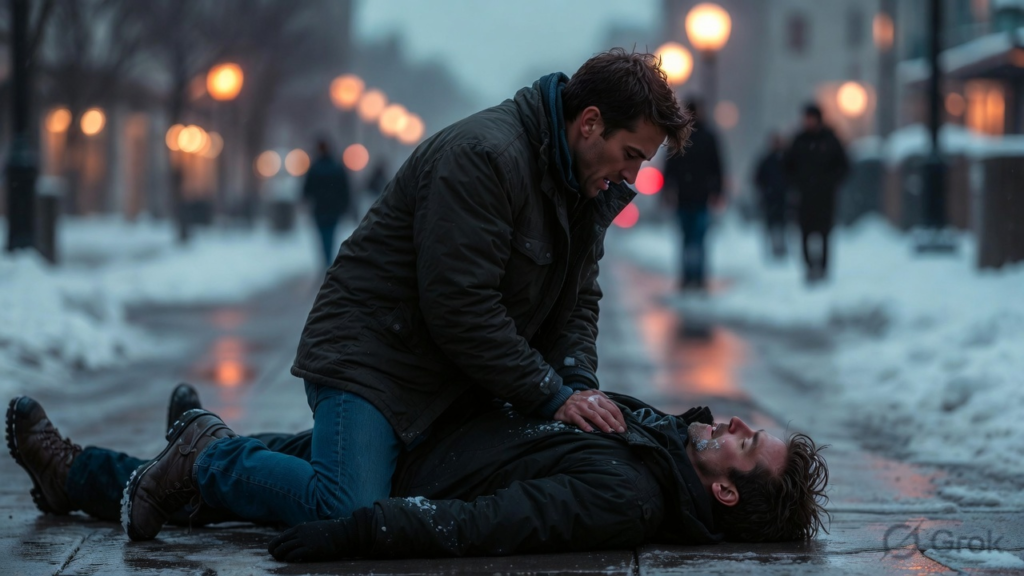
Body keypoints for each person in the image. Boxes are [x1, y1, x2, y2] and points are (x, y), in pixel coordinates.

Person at [119, 48, 694, 542]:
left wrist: (577, 392)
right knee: (348, 508)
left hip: (445, 377)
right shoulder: (486, 157)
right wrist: (550, 395)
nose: (632, 178)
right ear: (589, 123)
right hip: (373, 359)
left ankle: (158, 467)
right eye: (632, 156)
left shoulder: (582, 187)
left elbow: (578, 304)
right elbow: (461, 309)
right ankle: (203, 453)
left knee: (375, 481)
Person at [6, 384, 830, 561]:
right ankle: (73, 475)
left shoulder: (630, 495)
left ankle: (193, 450)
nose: (734, 422)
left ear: (725, 489)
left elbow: (491, 524)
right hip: (424, 432)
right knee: (194, 484)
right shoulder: (663, 444)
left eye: (747, 442)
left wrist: (363, 526)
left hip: (404, 478)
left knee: (219, 469)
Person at [661, 100, 725, 291]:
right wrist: (716, 191)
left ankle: (691, 277)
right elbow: (717, 166)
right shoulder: (707, 137)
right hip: (696, 196)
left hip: (688, 196)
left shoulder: (682, 136)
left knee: (689, 239)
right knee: (696, 240)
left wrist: (667, 190)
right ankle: (695, 277)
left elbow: (670, 167)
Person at [784, 104, 849, 283]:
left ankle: (823, 269)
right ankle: (809, 268)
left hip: (825, 197)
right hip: (804, 198)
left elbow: (843, 166)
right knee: (804, 234)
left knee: (825, 235)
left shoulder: (830, 140)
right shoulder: (799, 141)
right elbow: (787, 167)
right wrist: (797, 183)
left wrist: (830, 182)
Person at [302, 139, 352, 268]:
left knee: (323, 236)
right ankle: (328, 260)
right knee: (331, 234)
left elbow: (306, 190)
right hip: (333, 210)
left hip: (320, 209)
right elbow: (345, 189)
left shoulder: (314, 168)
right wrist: (344, 206)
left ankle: (326, 260)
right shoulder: (337, 167)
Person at [753, 132, 790, 260]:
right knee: (772, 226)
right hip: (770, 199)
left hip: (783, 199)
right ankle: (775, 249)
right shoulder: (767, 160)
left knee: (783, 225)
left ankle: (782, 248)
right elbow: (757, 179)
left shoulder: (786, 159)